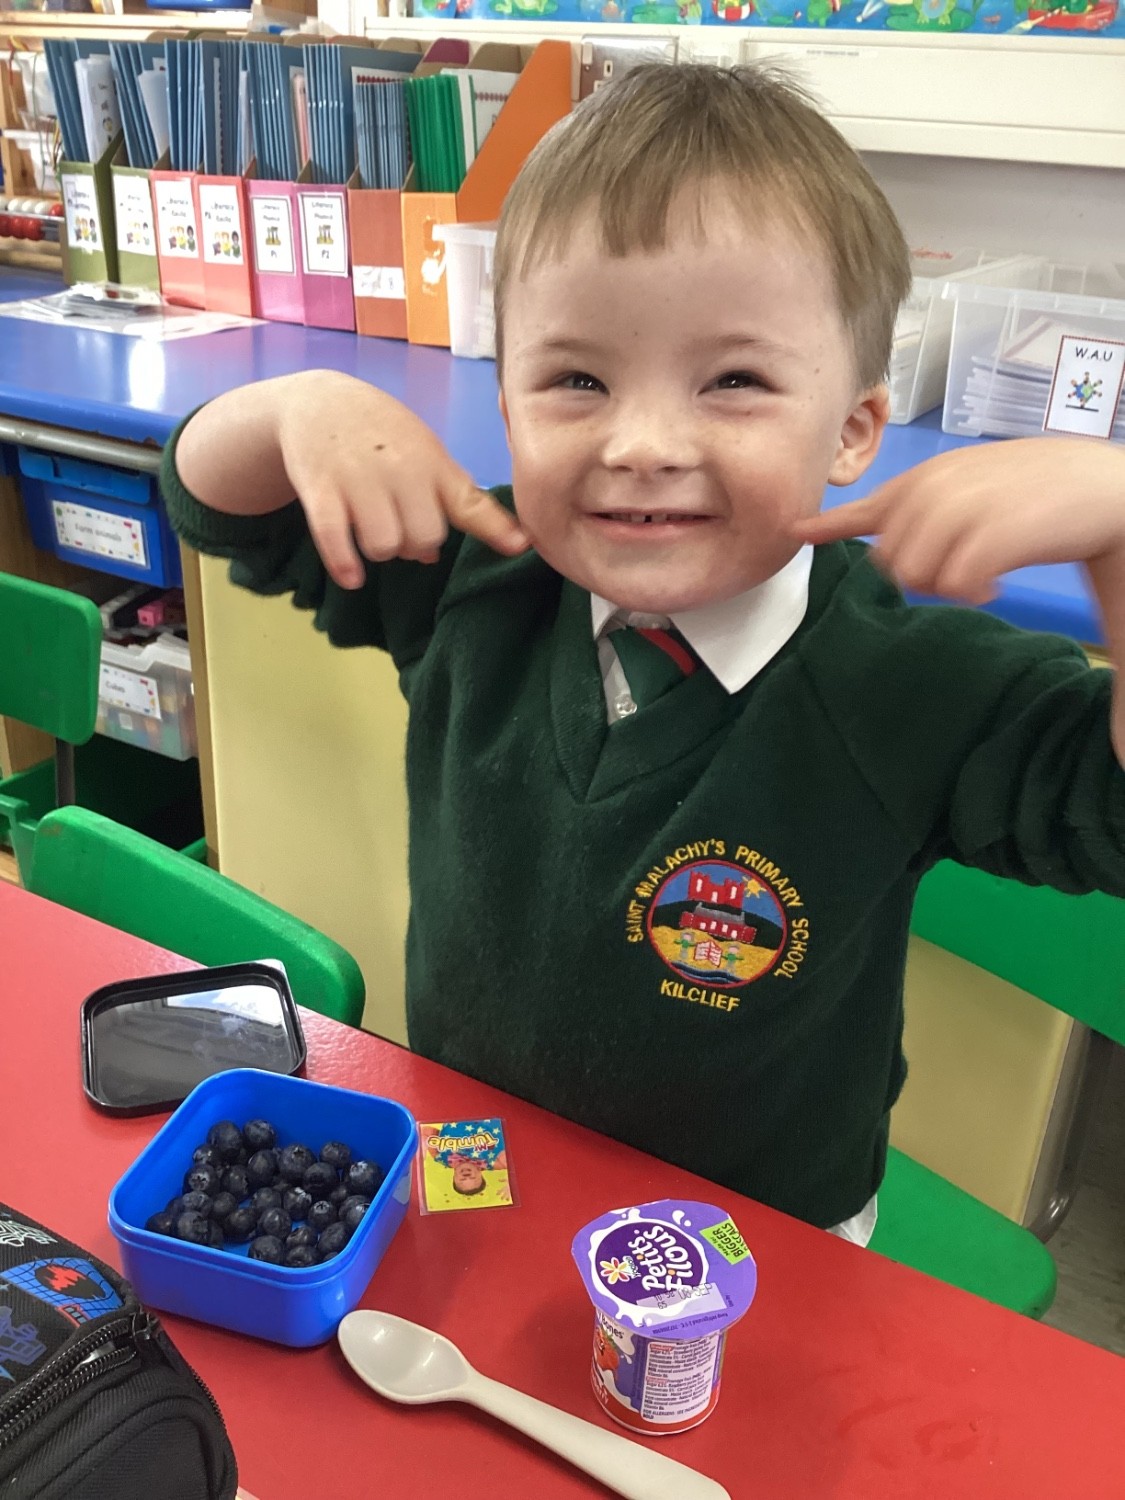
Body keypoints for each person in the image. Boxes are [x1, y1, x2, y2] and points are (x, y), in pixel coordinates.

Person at [161, 64, 1125, 1245]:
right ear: (508, 405)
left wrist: (1119, 528)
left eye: (735, 381)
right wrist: (289, 407)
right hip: (481, 1159)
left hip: (759, 1239)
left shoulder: (907, 676)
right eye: (577, 379)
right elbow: (218, 508)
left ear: (853, 429)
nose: (644, 443)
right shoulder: (481, 575)